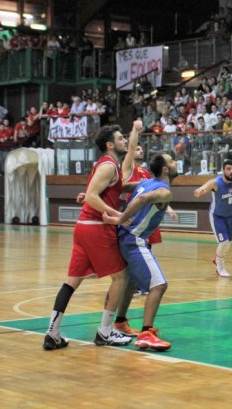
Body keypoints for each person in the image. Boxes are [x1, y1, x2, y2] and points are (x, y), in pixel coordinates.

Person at [43, 125, 134, 350]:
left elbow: (97, 192)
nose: (124, 141)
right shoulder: (108, 165)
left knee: (72, 281)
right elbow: (92, 197)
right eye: (121, 138)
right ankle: (105, 331)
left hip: (84, 227)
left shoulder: (107, 165)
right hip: (96, 227)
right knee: (121, 278)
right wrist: (119, 215)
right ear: (110, 144)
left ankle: (52, 333)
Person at [103, 153, 179, 350]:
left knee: (130, 282)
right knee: (159, 285)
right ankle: (146, 333)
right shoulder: (164, 191)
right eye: (171, 161)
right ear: (165, 169)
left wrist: (93, 193)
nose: (175, 163)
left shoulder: (145, 181)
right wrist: (120, 217)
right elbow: (144, 198)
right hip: (133, 240)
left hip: (125, 237)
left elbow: (120, 186)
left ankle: (119, 321)